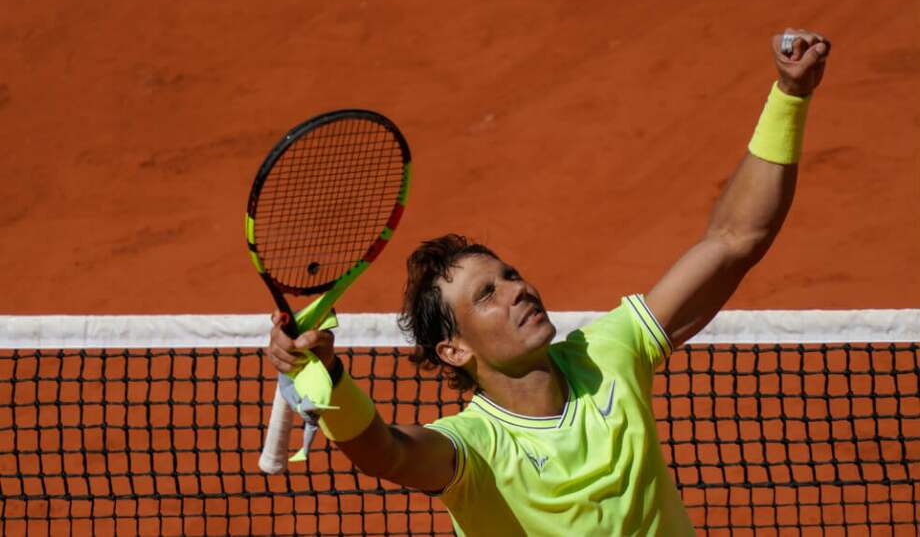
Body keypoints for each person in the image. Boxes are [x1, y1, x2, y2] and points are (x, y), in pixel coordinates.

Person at [267, 29, 831, 536]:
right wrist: (330, 378)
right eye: (488, 294)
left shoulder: (607, 353)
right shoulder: (477, 449)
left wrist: (790, 97)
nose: (518, 289)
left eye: (510, 276)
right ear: (453, 347)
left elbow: (734, 240)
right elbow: (385, 453)